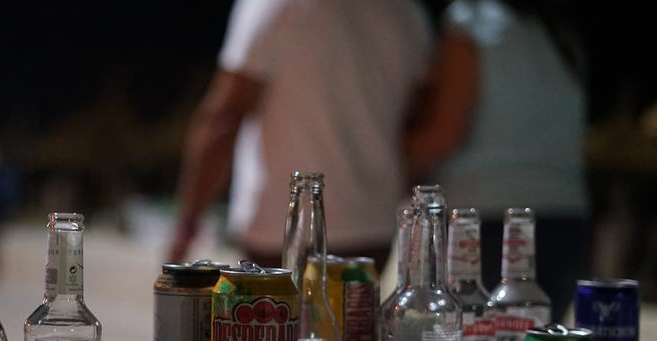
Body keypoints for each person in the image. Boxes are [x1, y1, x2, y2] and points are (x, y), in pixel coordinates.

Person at [168, 0, 434, 269]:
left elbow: (225, 115)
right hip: (371, 227)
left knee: (276, 311)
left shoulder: (274, 5)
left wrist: (188, 221)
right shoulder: (407, 12)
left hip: (279, 225)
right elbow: (419, 124)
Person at [403, 0, 586, 321]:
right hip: (565, 221)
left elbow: (444, 134)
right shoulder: (558, 34)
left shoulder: (469, 25)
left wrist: (386, 162)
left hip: (486, 224)